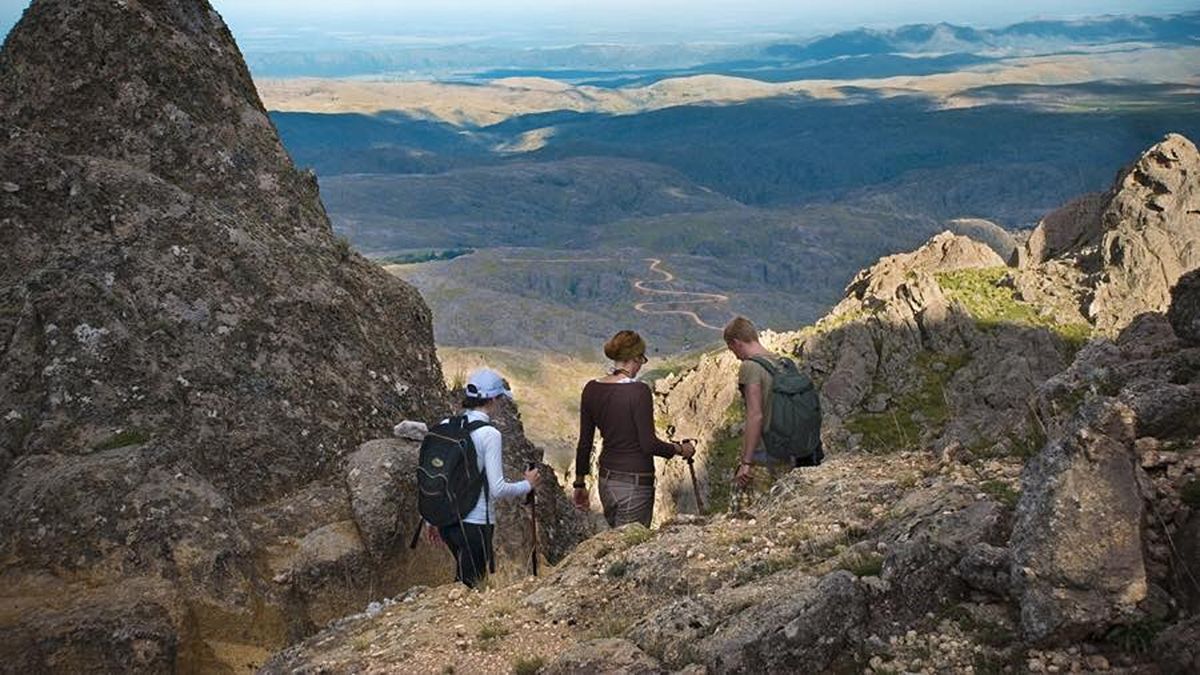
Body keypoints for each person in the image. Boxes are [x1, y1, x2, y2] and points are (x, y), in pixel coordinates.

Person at [573, 330, 695, 527]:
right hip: (635, 483)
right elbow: (648, 444)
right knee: (629, 541)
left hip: (606, 481)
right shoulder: (638, 391)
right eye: (642, 359)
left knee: (617, 536)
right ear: (636, 358)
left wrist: (579, 483)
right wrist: (681, 449)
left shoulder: (591, 389)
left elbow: (584, 443)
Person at [433, 368, 540, 588]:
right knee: (471, 587)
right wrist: (527, 484)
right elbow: (497, 489)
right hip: (476, 523)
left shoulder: (447, 425)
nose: (501, 404)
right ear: (492, 400)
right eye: (500, 399)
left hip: (447, 522)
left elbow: (437, 476)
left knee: (462, 583)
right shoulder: (490, 434)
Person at [723, 316, 823, 491]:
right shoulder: (782, 362)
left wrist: (746, 462)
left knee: (753, 503)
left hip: (767, 453)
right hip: (790, 449)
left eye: (732, 350)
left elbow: (755, 415)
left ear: (737, 343)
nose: (736, 357)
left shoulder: (750, 367)